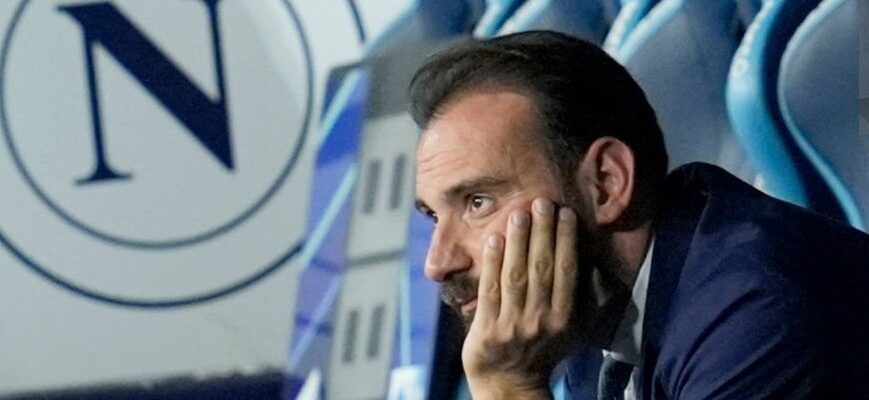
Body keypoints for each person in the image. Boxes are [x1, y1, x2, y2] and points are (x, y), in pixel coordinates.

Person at [410, 30, 869, 399]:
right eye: (433, 216)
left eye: (477, 202)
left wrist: (508, 386)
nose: (437, 262)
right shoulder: (596, 314)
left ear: (606, 183)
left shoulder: (757, 319)